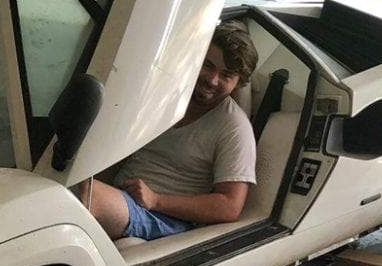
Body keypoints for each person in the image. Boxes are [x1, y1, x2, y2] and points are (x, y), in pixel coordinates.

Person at [82, 21, 258, 240]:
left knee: (88, 195)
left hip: (164, 218)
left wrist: (156, 200)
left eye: (226, 75)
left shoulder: (234, 127)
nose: (212, 80)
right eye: (208, 65)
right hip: (123, 198)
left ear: (238, 83)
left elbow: (229, 206)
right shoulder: (165, 96)